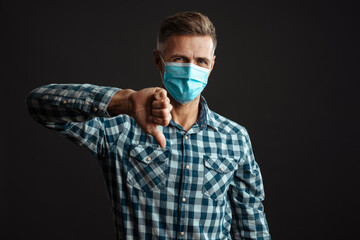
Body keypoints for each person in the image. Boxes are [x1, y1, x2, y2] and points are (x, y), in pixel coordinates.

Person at [27, 11, 270, 240]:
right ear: (158, 60)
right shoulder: (119, 128)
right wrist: (125, 100)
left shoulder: (234, 137)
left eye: (201, 61)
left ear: (212, 65)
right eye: (179, 59)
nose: (190, 69)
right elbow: (39, 105)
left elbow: (251, 224)